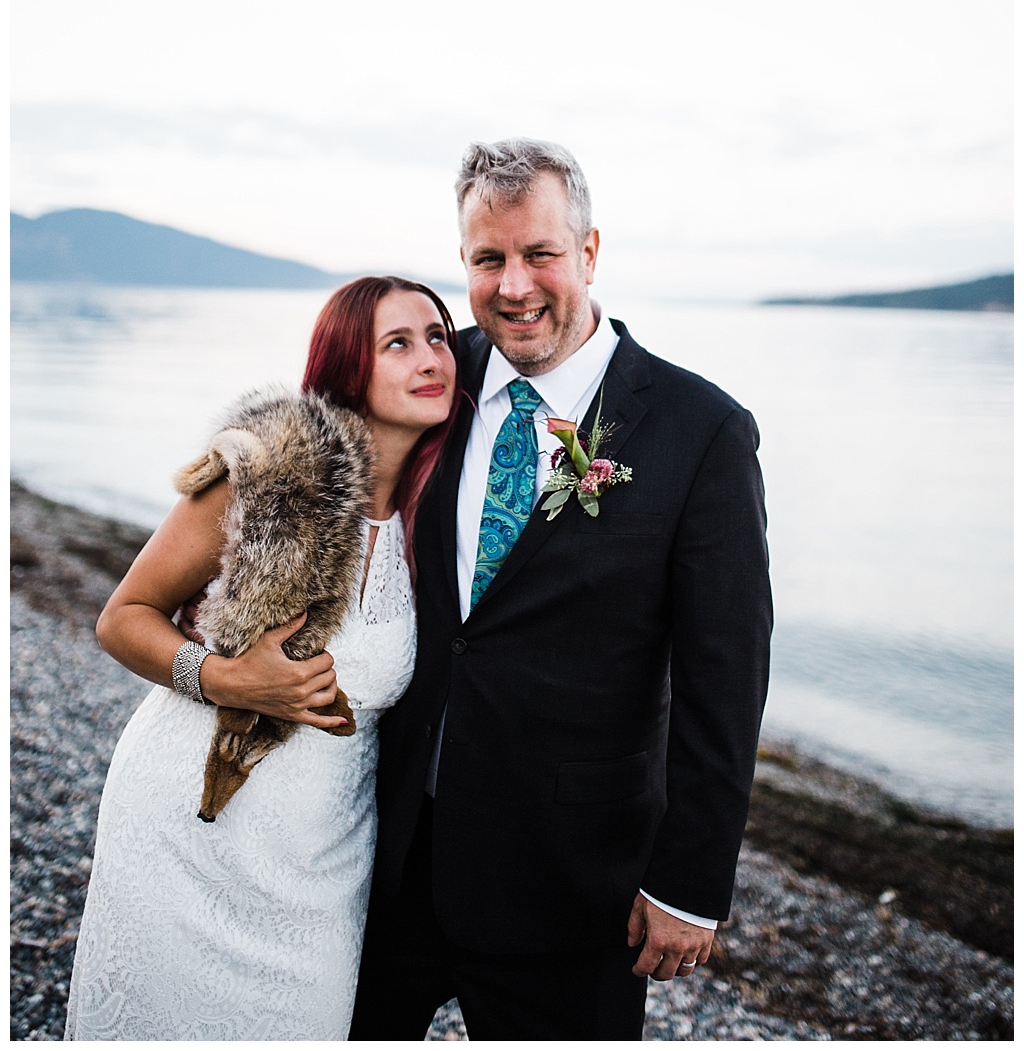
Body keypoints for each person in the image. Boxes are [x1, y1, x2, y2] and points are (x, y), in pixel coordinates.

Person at [347, 139, 773, 1041]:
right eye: (487, 259)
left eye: (538, 253)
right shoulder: (429, 376)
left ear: (587, 252)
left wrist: (690, 884)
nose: (514, 286)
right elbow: (320, 486)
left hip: (575, 881)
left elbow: (724, 678)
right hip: (389, 849)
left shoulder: (701, 432)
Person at [64, 275, 460, 1041]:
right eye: (398, 343)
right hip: (187, 828)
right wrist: (223, 677)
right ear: (351, 366)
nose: (429, 357)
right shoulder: (272, 481)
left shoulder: (441, 520)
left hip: (324, 861)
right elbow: (122, 619)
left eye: (439, 337)